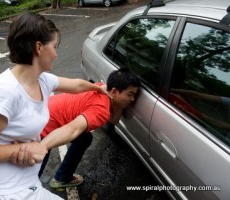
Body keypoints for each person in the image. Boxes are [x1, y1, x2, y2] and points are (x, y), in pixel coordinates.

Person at [0, 12, 110, 200]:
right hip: (4, 192)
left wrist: (99, 88)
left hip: (26, 182)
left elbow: (76, 85)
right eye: (54, 46)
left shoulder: (41, 80)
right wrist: (22, 150)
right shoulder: (5, 92)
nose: (56, 53)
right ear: (39, 47)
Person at [11, 68, 141, 189]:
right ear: (113, 91)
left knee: (84, 138)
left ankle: (63, 177)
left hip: (41, 112)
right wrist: (41, 147)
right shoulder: (101, 110)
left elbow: (113, 120)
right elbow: (73, 129)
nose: (132, 99)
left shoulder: (101, 87)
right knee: (28, 184)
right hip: (40, 130)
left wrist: (121, 103)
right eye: (130, 94)